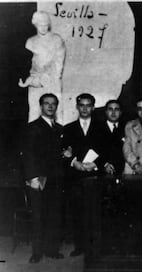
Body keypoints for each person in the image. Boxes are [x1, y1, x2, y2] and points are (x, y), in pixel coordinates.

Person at [22, 93, 69, 263]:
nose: (50, 106)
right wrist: (32, 178)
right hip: (39, 178)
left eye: (53, 104)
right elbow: (28, 155)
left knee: (54, 216)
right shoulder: (32, 127)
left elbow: (57, 155)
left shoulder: (60, 129)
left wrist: (66, 155)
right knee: (38, 216)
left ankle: (52, 250)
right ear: (40, 106)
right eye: (46, 103)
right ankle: (37, 252)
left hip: (56, 179)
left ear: (56, 107)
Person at [63, 93, 104, 257]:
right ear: (77, 107)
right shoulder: (68, 128)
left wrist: (96, 164)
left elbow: (107, 150)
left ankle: (95, 247)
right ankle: (80, 246)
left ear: (93, 107)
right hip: (76, 176)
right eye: (82, 105)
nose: (85, 108)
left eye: (88, 105)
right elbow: (64, 152)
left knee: (95, 212)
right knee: (78, 212)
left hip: (95, 175)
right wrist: (75, 162)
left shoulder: (102, 127)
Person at [18, 11, 65, 123]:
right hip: (35, 82)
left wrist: (49, 79)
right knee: (34, 112)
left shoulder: (56, 39)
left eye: (46, 25)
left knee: (56, 112)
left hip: (52, 80)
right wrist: (33, 81)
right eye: (40, 25)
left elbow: (59, 63)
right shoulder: (30, 42)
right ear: (35, 24)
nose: (43, 28)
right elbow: (27, 64)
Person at [101, 100, 125, 175]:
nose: (113, 112)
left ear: (121, 112)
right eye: (110, 109)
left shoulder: (127, 128)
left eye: (116, 109)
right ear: (105, 112)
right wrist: (104, 164)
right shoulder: (97, 128)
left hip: (123, 172)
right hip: (102, 171)